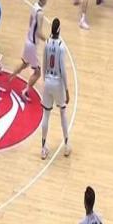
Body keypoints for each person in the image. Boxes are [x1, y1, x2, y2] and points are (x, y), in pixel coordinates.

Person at [9, 0, 48, 102]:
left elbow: (31, 23)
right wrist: (48, 40)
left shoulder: (34, 6)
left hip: (28, 40)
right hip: (32, 45)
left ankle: (10, 77)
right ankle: (25, 91)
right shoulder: (40, 13)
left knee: (24, 64)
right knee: (37, 72)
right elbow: (39, 32)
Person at [40, 18, 71, 160]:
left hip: (47, 80)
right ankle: (66, 145)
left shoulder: (46, 43)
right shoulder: (61, 46)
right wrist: (67, 89)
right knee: (63, 112)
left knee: (46, 114)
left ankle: (43, 148)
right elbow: (63, 69)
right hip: (58, 82)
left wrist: (44, 81)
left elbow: (44, 63)